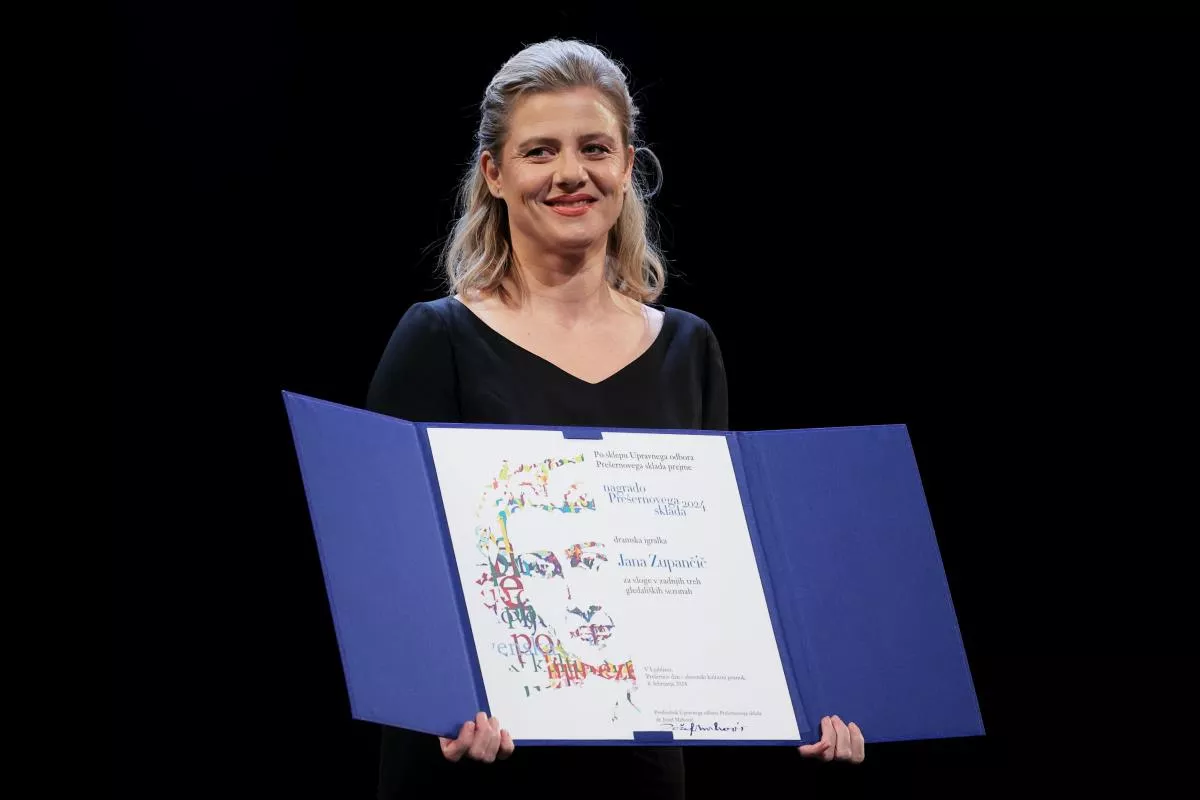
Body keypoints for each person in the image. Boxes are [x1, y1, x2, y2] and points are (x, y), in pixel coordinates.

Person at [365, 38, 865, 798]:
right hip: (477, 764)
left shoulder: (689, 349)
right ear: (494, 175)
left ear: (628, 166)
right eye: (540, 151)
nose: (571, 173)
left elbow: (715, 573)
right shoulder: (438, 340)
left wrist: (808, 696)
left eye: (594, 148)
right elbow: (389, 565)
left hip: (638, 767)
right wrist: (435, 696)